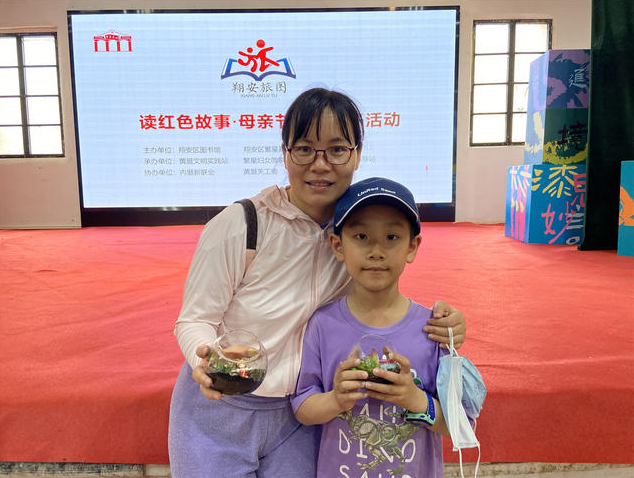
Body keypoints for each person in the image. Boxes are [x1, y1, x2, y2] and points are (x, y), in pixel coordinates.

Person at [168, 88, 465, 477]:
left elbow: (380, 287)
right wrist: (206, 361)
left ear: (357, 154)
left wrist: (444, 322)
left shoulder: (354, 233)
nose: (320, 165)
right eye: (305, 149)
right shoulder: (242, 225)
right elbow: (194, 319)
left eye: (337, 149)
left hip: (302, 416)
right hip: (223, 407)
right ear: (285, 153)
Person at [291, 177, 450, 477]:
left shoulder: (433, 329)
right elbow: (302, 408)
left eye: (391, 237)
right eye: (361, 236)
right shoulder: (322, 325)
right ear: (338, 245)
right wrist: (336, 399)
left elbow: (457, 425)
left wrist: (416, 399)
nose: (377, 250)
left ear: (412, 246)